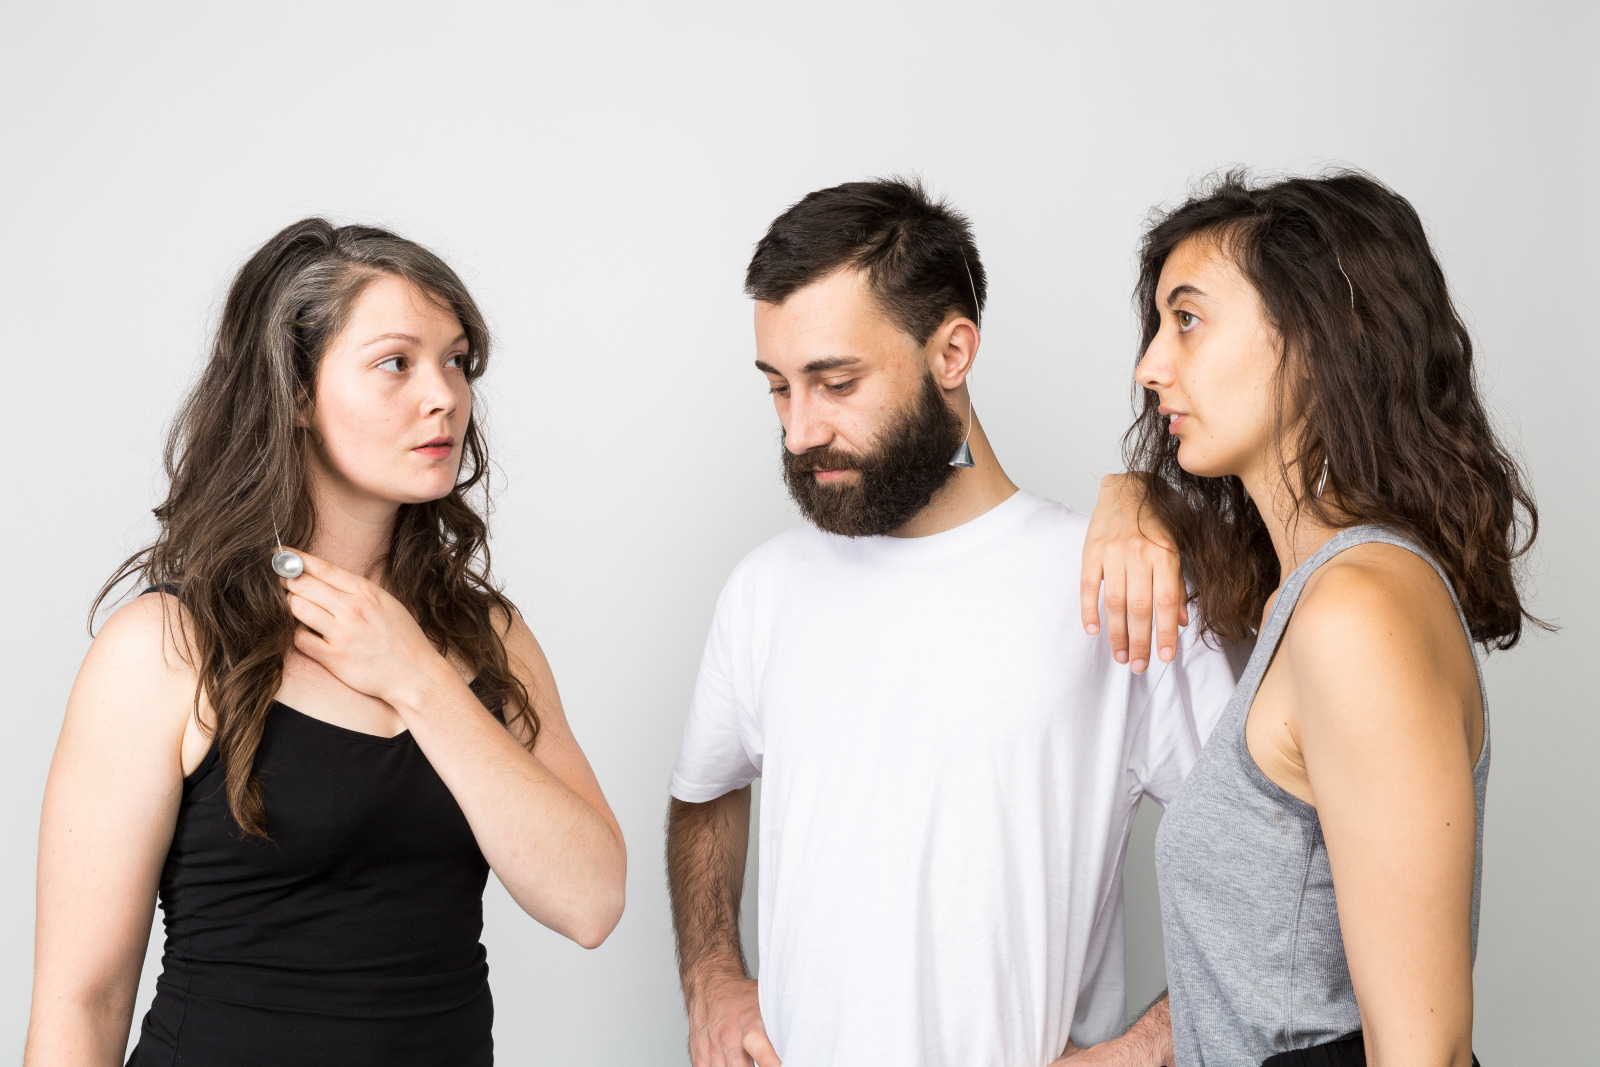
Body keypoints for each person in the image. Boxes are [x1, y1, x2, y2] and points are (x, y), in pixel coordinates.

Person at [665, 177, 1240, 1067]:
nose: (797, 432)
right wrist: (710, 973)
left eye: (836, 381)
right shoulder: (762, 590)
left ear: (952, 352)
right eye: (779, 388)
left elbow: (1270, 871)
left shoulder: (1115, 578)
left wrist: (1144, 1050)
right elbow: (704, 794)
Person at [26, 220, 626, 1066]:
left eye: (457, 360)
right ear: (297, 394)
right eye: (396, 362)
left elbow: (592, 899)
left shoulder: (486, 637)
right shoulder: (166, 645)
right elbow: (80, 1003)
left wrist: (416, 676)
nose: (444, 395)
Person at [1099, 170, 1536, 1066]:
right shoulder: (1305, 595)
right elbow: (1276, 976)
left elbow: (1425, 1050)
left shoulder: (1355, 611)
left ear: (1315, 337)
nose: (1150, 366)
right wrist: (1128, 494)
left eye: (1187, 319)